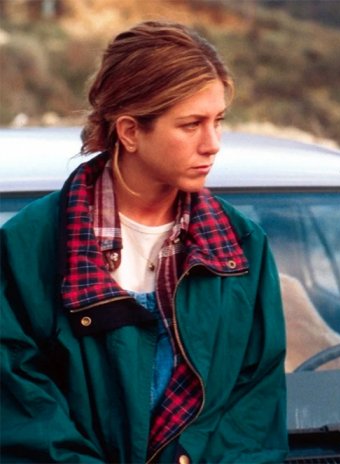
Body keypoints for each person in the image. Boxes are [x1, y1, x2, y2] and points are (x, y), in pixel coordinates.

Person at [0, 21, 287, 463]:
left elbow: (255, 405)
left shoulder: (242, 246)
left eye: (218, 122)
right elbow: (19, 404)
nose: (212, 144)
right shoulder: (30, 243)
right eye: (191, 125)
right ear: (130, 131)